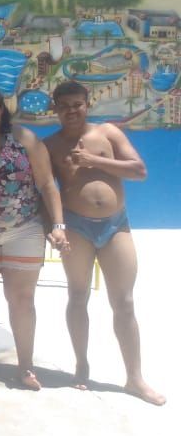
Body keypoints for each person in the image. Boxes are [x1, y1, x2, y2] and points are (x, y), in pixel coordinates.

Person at [44, 82, 164, 405]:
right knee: (77, 295)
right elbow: (45, 190)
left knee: (124, 302)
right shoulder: (50, 145)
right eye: (65, 105)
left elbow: (139, 170)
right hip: (76, 227)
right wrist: (53, 228)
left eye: (77, 104)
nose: (72, 111)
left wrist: (93, 161)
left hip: (115, 225)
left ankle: (135, 378)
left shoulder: (108, 133)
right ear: (55, 108)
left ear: (87, 104)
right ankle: (81, 365)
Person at [0, 83, 68, 390]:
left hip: (25, 229)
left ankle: (25, 367)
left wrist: (58, 225)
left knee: (22, 299)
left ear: (1, 110)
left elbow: (47, 185)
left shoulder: (24, 139)